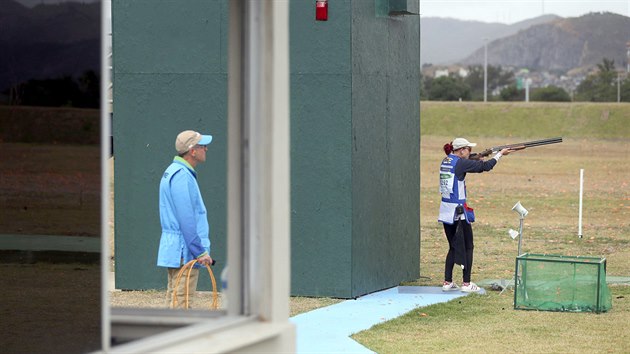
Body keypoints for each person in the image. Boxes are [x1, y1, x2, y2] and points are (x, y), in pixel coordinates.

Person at [438, 138, 513, 292]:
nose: (469, 152)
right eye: (468, 149)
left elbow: (468, 165)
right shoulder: (461, 163)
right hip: (458, 213)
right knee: (468, 247)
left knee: (453, 246)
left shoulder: (446, 160)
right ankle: (466, 284)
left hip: (446, 210)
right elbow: (485, 167)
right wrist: (499, 155)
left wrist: (477, 158)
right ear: (461, 150)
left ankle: (447, 282)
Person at [157, 130, 215, 308]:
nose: (206, 149)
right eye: (202, 146)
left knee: (174, 299)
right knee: (182, 303)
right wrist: (200, 251)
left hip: (176, 248)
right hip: (184, 251)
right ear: (193, 151)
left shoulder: (173, 171)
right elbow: (186, 220)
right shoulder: (182, 176)